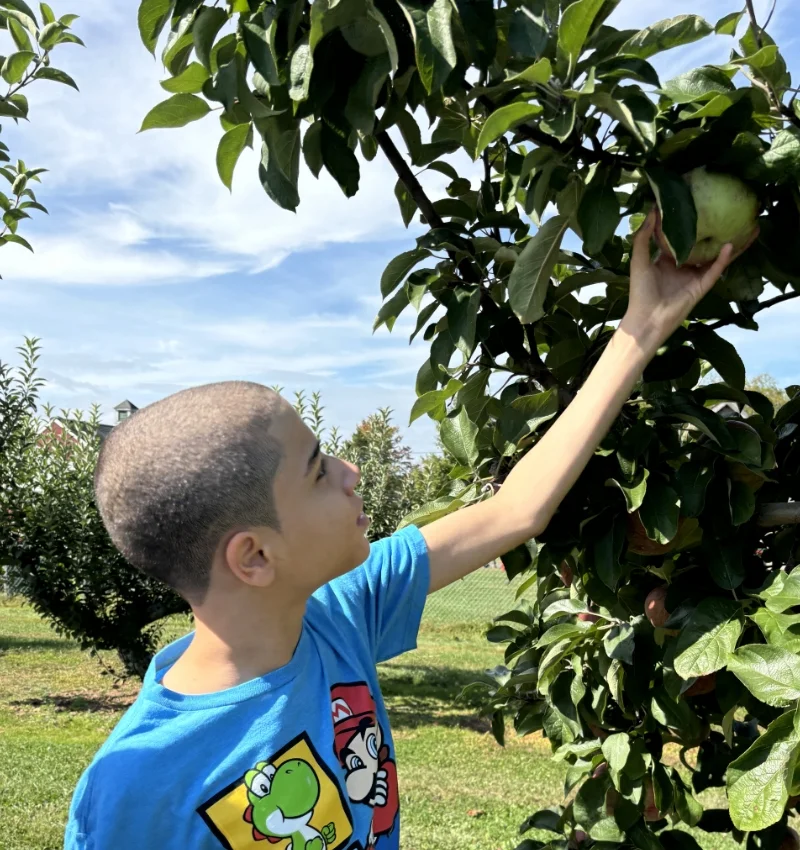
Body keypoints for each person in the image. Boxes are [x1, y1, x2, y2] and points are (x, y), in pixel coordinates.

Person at [63, 212, 755, 850]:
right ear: (254, 556)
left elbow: (517, 511)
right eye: (316, 471)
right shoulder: (135, 791)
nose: (351, 470)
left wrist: (644, 324)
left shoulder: (338, 614)